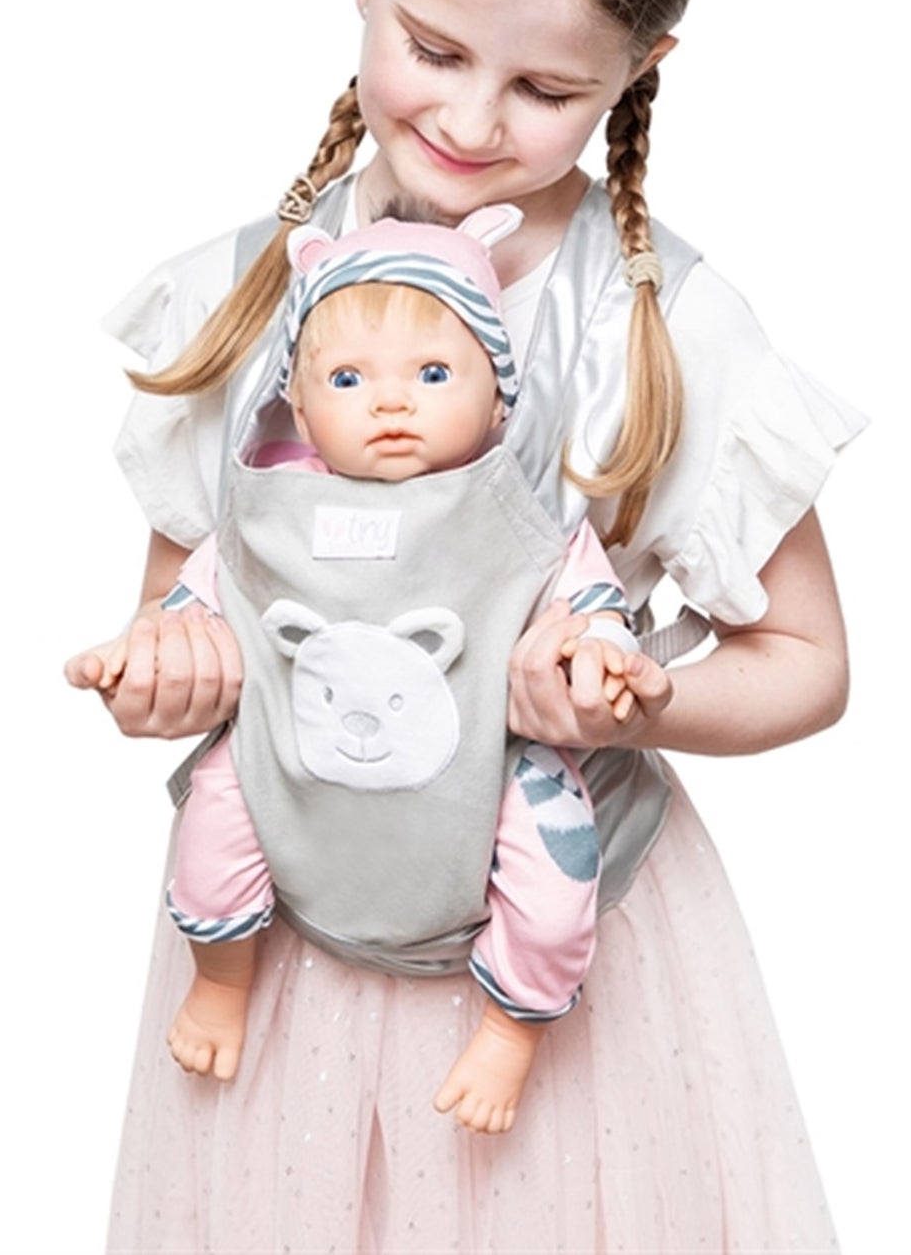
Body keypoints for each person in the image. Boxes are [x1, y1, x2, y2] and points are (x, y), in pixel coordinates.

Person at [66, 0, 865, 1248]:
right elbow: (192, 628)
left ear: (642, 66)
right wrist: (165, 671)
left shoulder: (659, 331)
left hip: (566, 976)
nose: (475, 118)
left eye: (548, 88)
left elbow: (809, 662)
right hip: (278, 968)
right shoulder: (240, 295)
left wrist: (641, 701)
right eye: (432, 47)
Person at [99, 205, 643, 1136]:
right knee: (217, 812)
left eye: (433, 375)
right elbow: (188, 608)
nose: (392, 403)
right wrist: (142, 648)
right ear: (302, 407)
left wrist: (595, 652)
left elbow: (589, 605)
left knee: (558, 870)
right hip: (289, 749)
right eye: (348, 379)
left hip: (489, 762)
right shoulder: (265, 511)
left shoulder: (522, 514)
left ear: (499, 397)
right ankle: (221, 978)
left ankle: (513, 1026)